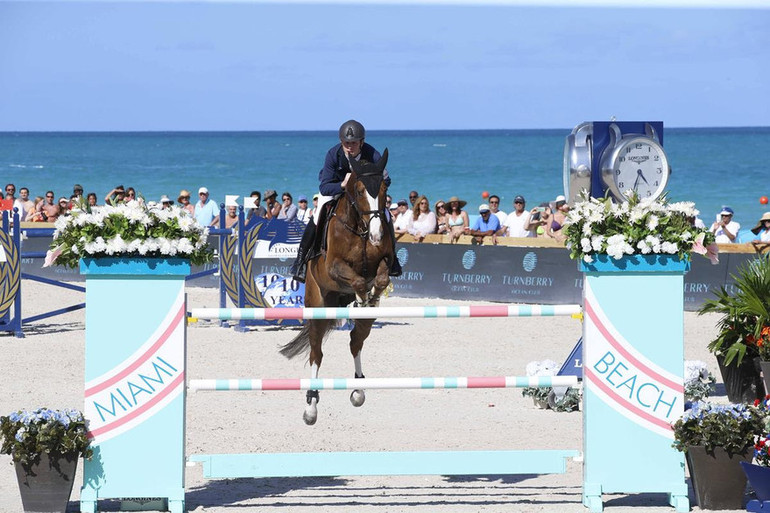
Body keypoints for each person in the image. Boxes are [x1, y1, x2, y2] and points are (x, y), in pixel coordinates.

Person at [290, 119, 401, 283]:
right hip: (336, 189)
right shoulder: (333, 154)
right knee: (318, 212)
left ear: (361, 142)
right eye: (346, 143)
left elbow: (386, 181)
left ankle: (394, 260)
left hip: (362, 194)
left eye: (354, 143)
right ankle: (300, 261)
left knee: (385, 213)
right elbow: (324, 188)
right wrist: (343, 185)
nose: (349, 147)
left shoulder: (373, 155)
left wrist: (370, 183)